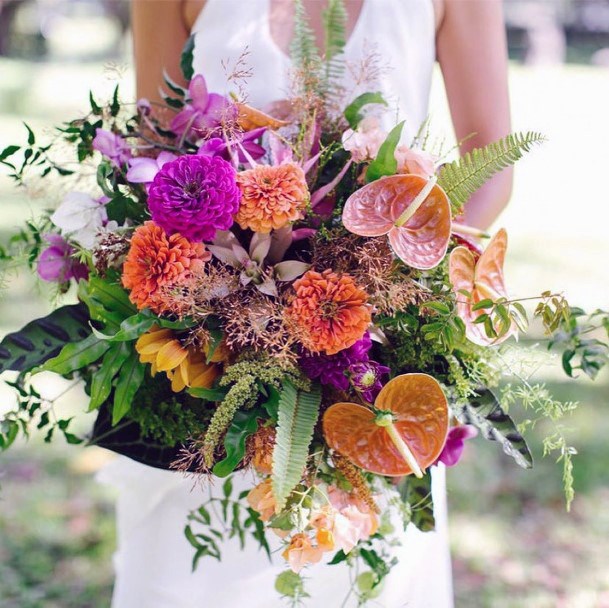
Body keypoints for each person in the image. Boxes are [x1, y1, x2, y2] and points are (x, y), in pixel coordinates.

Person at [98, 1, 513, 606]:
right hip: (208, 368)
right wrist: (216, 311)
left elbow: (491, 169)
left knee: (355, 573)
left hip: (372, 361)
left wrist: (394, 282)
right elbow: (156, 148)